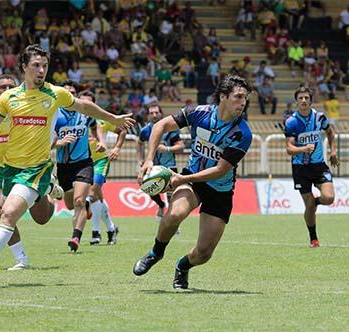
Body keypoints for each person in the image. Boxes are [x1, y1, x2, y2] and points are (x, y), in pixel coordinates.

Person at [0, 44, 135, 280]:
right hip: (9, 168)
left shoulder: (55, 93)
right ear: (24, 67)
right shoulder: (9, 97)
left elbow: (83, 105)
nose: (41, 70)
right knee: (39, 217)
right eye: (36, 66)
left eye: (45, 66)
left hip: (35, 168)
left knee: (8, 213)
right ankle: (50, 190)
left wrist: (112, 117)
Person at [133, 75, 253, 289]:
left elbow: (220, 170)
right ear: (223, 96)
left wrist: (180, 178)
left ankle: (183, 266)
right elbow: (159, 126)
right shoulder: (199, 113)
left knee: (204, 253)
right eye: (238, 96)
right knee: (176, 213)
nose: (243, 102)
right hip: (193, 180)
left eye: (245, 98)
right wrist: (149, 159)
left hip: (220, 189)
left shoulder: (242, 133)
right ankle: (155, 253)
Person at [0, 74, 65, 270]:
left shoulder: (28, 109)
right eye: (3, 87)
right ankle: (21, 259)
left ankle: (48, 188)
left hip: (31, 169)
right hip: (4, 171)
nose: (7, 89)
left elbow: (50, 136)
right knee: (3, 211)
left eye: (11, 86)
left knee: (41, 219)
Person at [284, 87, 339, 248]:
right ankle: (313, 239)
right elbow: (289, 149)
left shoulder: (319, 117)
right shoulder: (292, 122)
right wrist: (302, 149)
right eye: (300, 98)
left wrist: (333, 150)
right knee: (308, 206)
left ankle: (315, 202)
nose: (303, 100)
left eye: (306, 98)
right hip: (300, 168)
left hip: (319, 166)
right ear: (297, 101)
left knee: (329, 198)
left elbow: (330, 132)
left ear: (310, 100)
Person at [54, 86, 98, 252]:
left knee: (78, 201)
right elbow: (46, 142)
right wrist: (60, 143)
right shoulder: (55, 115)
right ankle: (85, 206)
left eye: (72, 93)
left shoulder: (85, 113)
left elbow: (95, 125)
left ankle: (76, 238)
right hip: (63, 166)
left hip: (84, 163)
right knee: (71, 204)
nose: (69, 95)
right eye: (66, 93)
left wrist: (99, 139)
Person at [86, 96, 127, 246]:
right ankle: (111, 229)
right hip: (84, 163)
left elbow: (122, 131)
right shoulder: (76, 120)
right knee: (98, 198)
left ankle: (96, 233)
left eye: (89, 101)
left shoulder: (102, 119)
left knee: (91, 193)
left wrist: (116, 148)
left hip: (101, 161)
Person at [138, 104, 184, 222]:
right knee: (148, 189)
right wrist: (140, 159)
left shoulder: (170, 130)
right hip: (152, 168)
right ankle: (161, 205)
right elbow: (139, 142)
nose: (154, 115)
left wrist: (167, 149)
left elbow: (181, 146)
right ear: (148, 115)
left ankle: (171, 221)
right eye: (151, 113)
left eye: (156, 112)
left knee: (171, 196)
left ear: (161, 114)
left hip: (169, 167)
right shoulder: (145, 130)